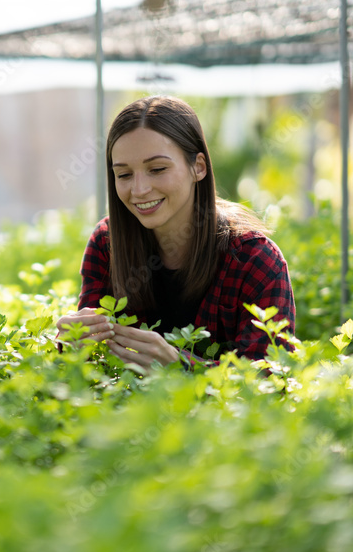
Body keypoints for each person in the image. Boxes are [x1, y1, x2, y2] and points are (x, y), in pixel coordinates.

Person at [55, 95, 295, 370]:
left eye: (157, 169)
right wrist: (72, 343)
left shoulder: (255, 259)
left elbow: (272, 378)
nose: (139, 189)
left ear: (199, 167)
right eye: (123, 175)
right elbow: (90, 364)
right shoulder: (107, 243)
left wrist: (182, 367)